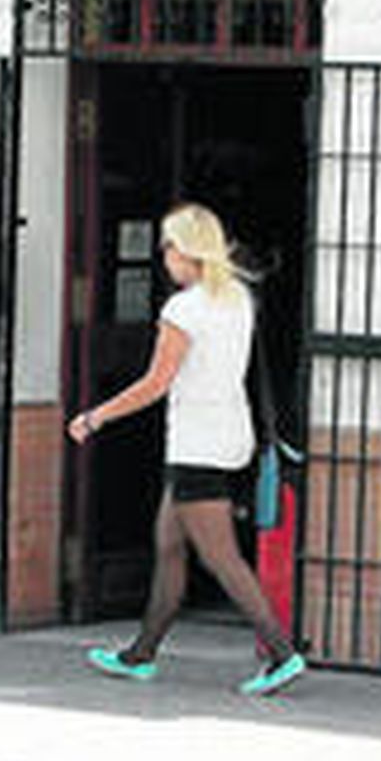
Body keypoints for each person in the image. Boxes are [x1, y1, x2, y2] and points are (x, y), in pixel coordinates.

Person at [70, 202, 305, 697]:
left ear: (185, 250)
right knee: (170, 546)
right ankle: (141, 654)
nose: (163, 257)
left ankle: (282, 653)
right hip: (228, 436)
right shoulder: (239, 296)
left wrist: (96, 417)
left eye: (168, 247)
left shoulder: (184, 309)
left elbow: (156, 383)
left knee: (222, 558)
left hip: (196, 442)